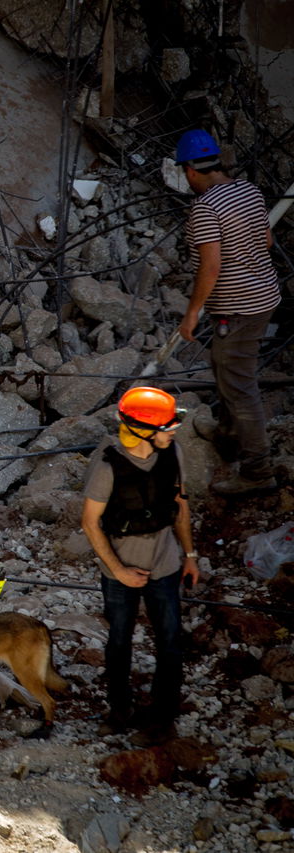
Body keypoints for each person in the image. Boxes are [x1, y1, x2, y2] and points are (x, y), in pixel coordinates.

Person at [80, 386, 199, 747]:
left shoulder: (172, 452)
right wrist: (118, 571)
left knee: (170, 642)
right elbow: (89, 522)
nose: (174, 431)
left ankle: (162, 717)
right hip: (120, 572)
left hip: (164, 564)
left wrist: (190, 556)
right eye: (167, 426)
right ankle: (119, 711)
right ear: (143, 430)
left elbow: (179, 505)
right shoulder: (106, 465)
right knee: (119, 643)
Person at [174, 129, 281, 495]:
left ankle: (257, 471)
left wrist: (191, 313)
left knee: (239, 385)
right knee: (225, 368)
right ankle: (228, 436)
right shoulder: (248, 191)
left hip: (237, 309)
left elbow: (211, 268)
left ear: (190, 170)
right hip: (264, 298)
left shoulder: (205, 208)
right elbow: (265, 241)